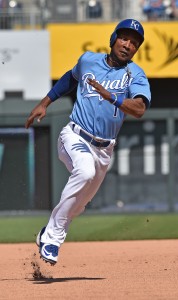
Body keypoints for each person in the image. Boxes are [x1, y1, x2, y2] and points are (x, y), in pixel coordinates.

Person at [25, 19, 151, 265]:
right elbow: (70, 79)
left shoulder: (134, 74)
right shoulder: (88, 60)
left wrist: (111, 97)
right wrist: (45, 102)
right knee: (84, 171)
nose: (128, 45)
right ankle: (53, 238)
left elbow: (139, 108)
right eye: (124, 38)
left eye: (134, 43)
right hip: (74, 135)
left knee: (80, 204)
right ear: (113, 38)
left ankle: (45, 233)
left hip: (104, 149)